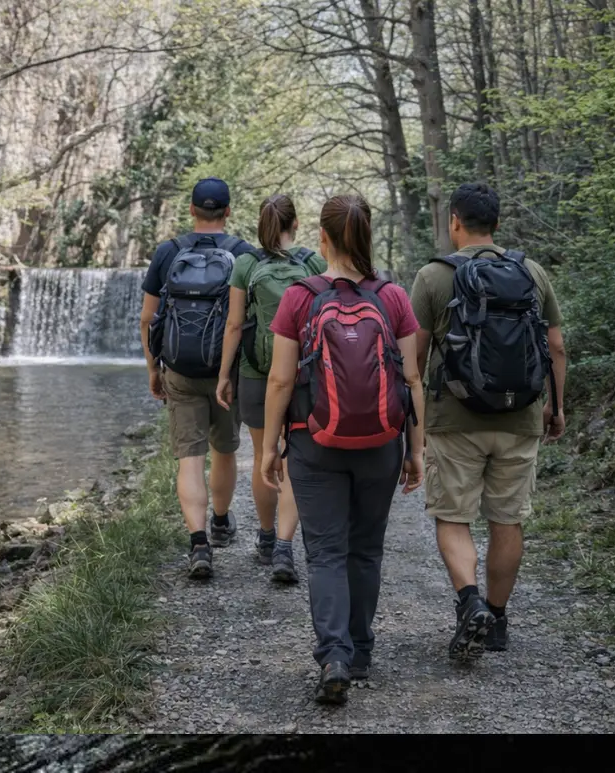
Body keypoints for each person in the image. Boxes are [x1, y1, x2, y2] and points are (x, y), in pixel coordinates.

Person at [260, 194, 425, 704]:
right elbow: (413, 378)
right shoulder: (393, 297)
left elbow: (281, 380)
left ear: (323, 238)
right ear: (368, 235)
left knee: (325, 551)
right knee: (366, 549)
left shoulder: (300, 297)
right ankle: (359, 653)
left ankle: (332, 654)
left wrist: (270, 446)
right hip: (382, 443)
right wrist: (416, 449)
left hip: (315, 442)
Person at [411, 182, 567, 659]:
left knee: (453, 516)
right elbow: (556, 346)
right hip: (519, 417)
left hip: (454, 418)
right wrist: (555, 406)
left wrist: (412, 429)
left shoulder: (434, 277)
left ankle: (469, 601)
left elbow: (413, 362)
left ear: (454, 221)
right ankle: (496, 619)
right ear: (496, 224)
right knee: (507, 519)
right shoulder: (531, 271)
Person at [139, 178, 255, 579]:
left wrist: (155, 368)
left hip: (180, 370)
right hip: (226, 372)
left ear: (191, 210)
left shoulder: (169, 252)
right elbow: (245, 322)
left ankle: (199, 543)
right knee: (224, 451)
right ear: (227, 212)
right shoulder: (243, 255)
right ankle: (222, 522)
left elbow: (147, 319)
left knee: (190, 458)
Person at [216, 194, 325, 583]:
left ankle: (264, 538)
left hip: (257, 373)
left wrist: (225, 374)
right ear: (295, 224)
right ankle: (284, 545)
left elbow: (233, 325)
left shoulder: (246, 265)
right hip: (303, 376)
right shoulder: (313, 263)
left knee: (265, 455)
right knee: (294, 461)